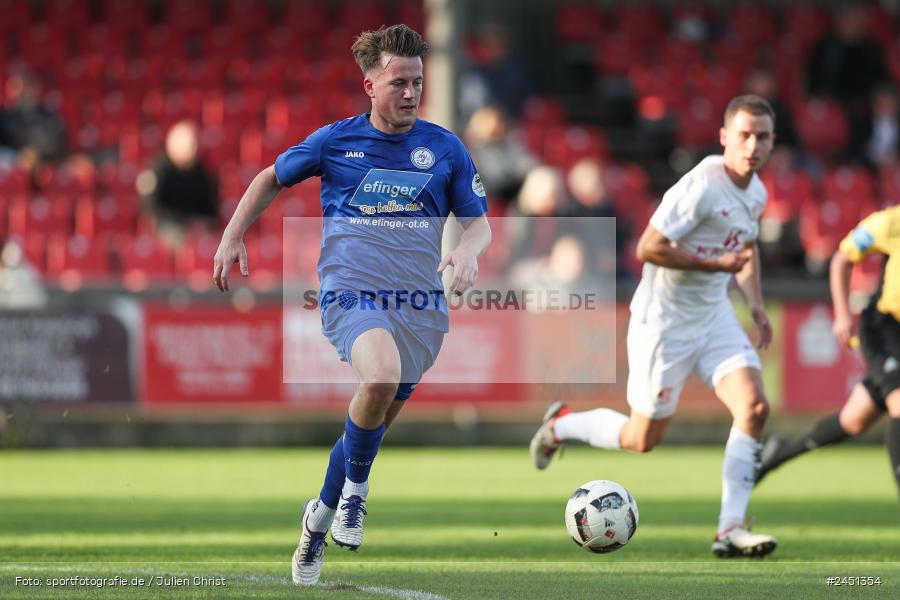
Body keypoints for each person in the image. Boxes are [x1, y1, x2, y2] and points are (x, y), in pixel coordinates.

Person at [212, 25, 491, 586]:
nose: (411, 93)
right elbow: (270, 177)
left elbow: (479, 223)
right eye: (398, 83)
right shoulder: (335, 142)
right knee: (381, 378)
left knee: (370, 419)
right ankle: (357, 496)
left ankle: (317, 518)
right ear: (369, 85)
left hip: (419, 304)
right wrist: (232, 235)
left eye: (417, 82)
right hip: (350, 289)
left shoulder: (445, 148)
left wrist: (466, 249)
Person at [530, 95, 779, 558]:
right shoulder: (702, 186)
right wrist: (716, 264)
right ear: (725, 137)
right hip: (664, 322)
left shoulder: (757, 193)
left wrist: (757, 306)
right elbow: (648, 247)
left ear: (772, 142)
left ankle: (729, 530)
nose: (753, 145)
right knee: (641, 439)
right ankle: (562, 425)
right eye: (744, 135)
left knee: (755, 408)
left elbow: (744, 252)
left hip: (715, 316)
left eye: (762, 136)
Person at [755, 205, 900, 493]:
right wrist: (843, 314)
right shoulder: (889, 222)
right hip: (885, 327)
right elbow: (842, 260)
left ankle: (779, 453)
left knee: (854, 420)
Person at [137, 120, 218, 249]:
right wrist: (185, 221)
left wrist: (203, 222)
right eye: (190, 145)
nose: (194, 149)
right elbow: (153, 209)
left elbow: (210, 205)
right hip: (169, 226)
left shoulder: (201, 171)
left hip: (196, 227)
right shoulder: (159, 170)